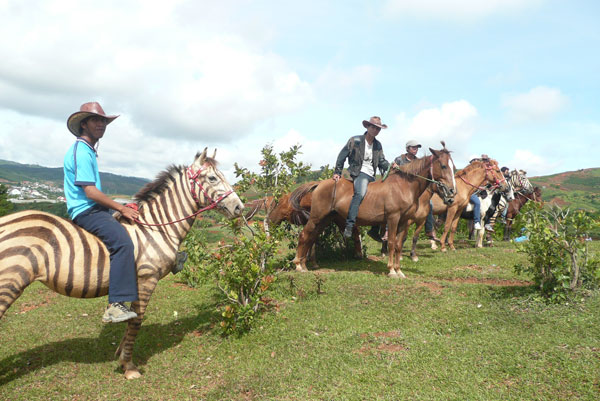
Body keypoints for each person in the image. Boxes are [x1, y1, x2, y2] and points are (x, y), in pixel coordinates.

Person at [64, 102, 140, 323]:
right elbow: (90, 192)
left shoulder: (87, 150)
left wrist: (120, 208)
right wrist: (119, 207)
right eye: (96, 120)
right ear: (84, 124)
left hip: (95, 209)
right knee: (123, 244)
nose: (101, 125)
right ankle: (115, 305)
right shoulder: (81, 151)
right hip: (87, 211)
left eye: (104, 121)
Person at [333, 116, 390, 239]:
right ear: (368, 127)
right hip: (359, 172)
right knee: (360, 193)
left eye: (378, 129)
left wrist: (391, 166)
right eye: (373, 127)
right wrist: (337, 171)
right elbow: (342, 155)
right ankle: (349, 225)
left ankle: (374, 230)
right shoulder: (355, 140)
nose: (376, 130)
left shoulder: (378, 145)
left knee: (381, 197)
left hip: (372, 175)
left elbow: (381, 161)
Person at [392, 140, 438, 240]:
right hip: (400, 190)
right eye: (413, 147)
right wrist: (397, 168)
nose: (415, 149)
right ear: (407, 148)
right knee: (392, 207)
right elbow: (393, 173)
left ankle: (429, 230)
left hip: (414, 190)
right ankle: (387, 230)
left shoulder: (418, 161)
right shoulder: (399, 159)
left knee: (429, 204)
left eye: (417, 148)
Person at [484, 166, 511, 232]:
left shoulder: (505, 178)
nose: (507, 173)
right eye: (507, 171)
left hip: (500, 193)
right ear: (503, 171)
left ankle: (502, 216)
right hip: (492, 192)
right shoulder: (498, 177)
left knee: (506, 204)